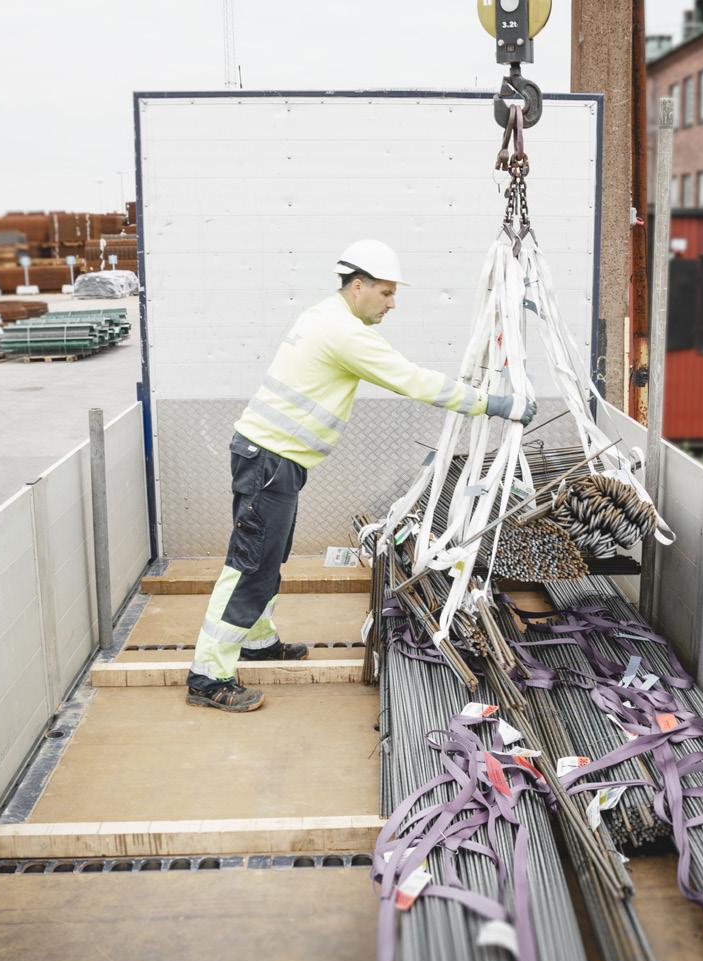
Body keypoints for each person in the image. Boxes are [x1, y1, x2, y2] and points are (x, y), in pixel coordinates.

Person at [187, 239, 537, 712]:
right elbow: (411, 380)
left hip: (273, 461)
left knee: (268, 558)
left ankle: (256, 640)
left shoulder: (325, 315)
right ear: (358, 287)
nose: (392, 304)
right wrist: (493, 405)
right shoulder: (344, 334)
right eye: (386, 293)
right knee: (249, 564)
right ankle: (209, 676)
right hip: (270, 462)